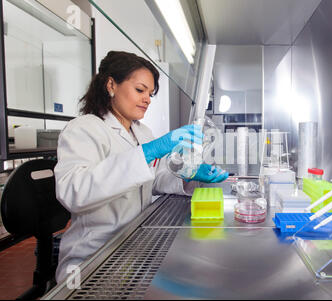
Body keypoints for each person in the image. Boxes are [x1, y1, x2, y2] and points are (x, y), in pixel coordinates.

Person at [54, 51, 228, 284]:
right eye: (140, 90)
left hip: (134, 243)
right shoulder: (83, 129)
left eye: (150, 93)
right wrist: (148, 152)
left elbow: (153, 179)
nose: (146, 98)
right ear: (111, 85)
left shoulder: (142, 132)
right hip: (94, 256)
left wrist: (187, 175)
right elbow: (74, 191)